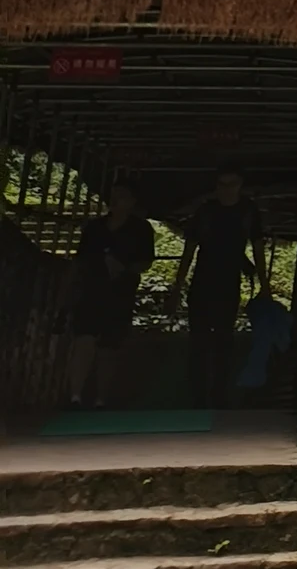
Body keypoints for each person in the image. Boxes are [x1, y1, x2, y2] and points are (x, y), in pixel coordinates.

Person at [173, 167, 266, 407]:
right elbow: (189, 249)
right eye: (222, 184)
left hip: (229, 283)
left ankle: (219, 395)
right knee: (199, 341)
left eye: (231, 184)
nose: (226, 189)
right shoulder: (206, 211)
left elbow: (257, 248)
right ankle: (196, 396)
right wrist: (177, 285)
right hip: (203, 281)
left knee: (224, 340)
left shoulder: (248, 210)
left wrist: (265, 285)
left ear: (239, 184)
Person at [66, 180, 156, 408]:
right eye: (113, 196)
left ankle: (101, 399)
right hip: (91, 290)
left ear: (132, 201)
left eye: (122, 196)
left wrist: (122, 268)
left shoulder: (141, 229)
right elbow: (81, 259)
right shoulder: (94, 228)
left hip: (120, 293)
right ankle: (75, 396)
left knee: (109, 346)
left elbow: (145, 262)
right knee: (83, 340)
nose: (116, 201)